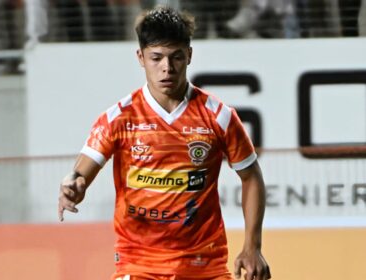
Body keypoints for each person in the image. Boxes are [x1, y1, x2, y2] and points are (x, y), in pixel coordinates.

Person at [58, 6, 271, 280]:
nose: (166, 68)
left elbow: (251, 176)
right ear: (140, 57)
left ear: (189, 56)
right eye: (156, 58)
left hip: (204, 265)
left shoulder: (219, 117)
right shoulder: (119, 118)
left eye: (176, 57)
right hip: (139, 265)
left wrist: (252, 247)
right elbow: (80, 173)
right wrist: (73, 186)